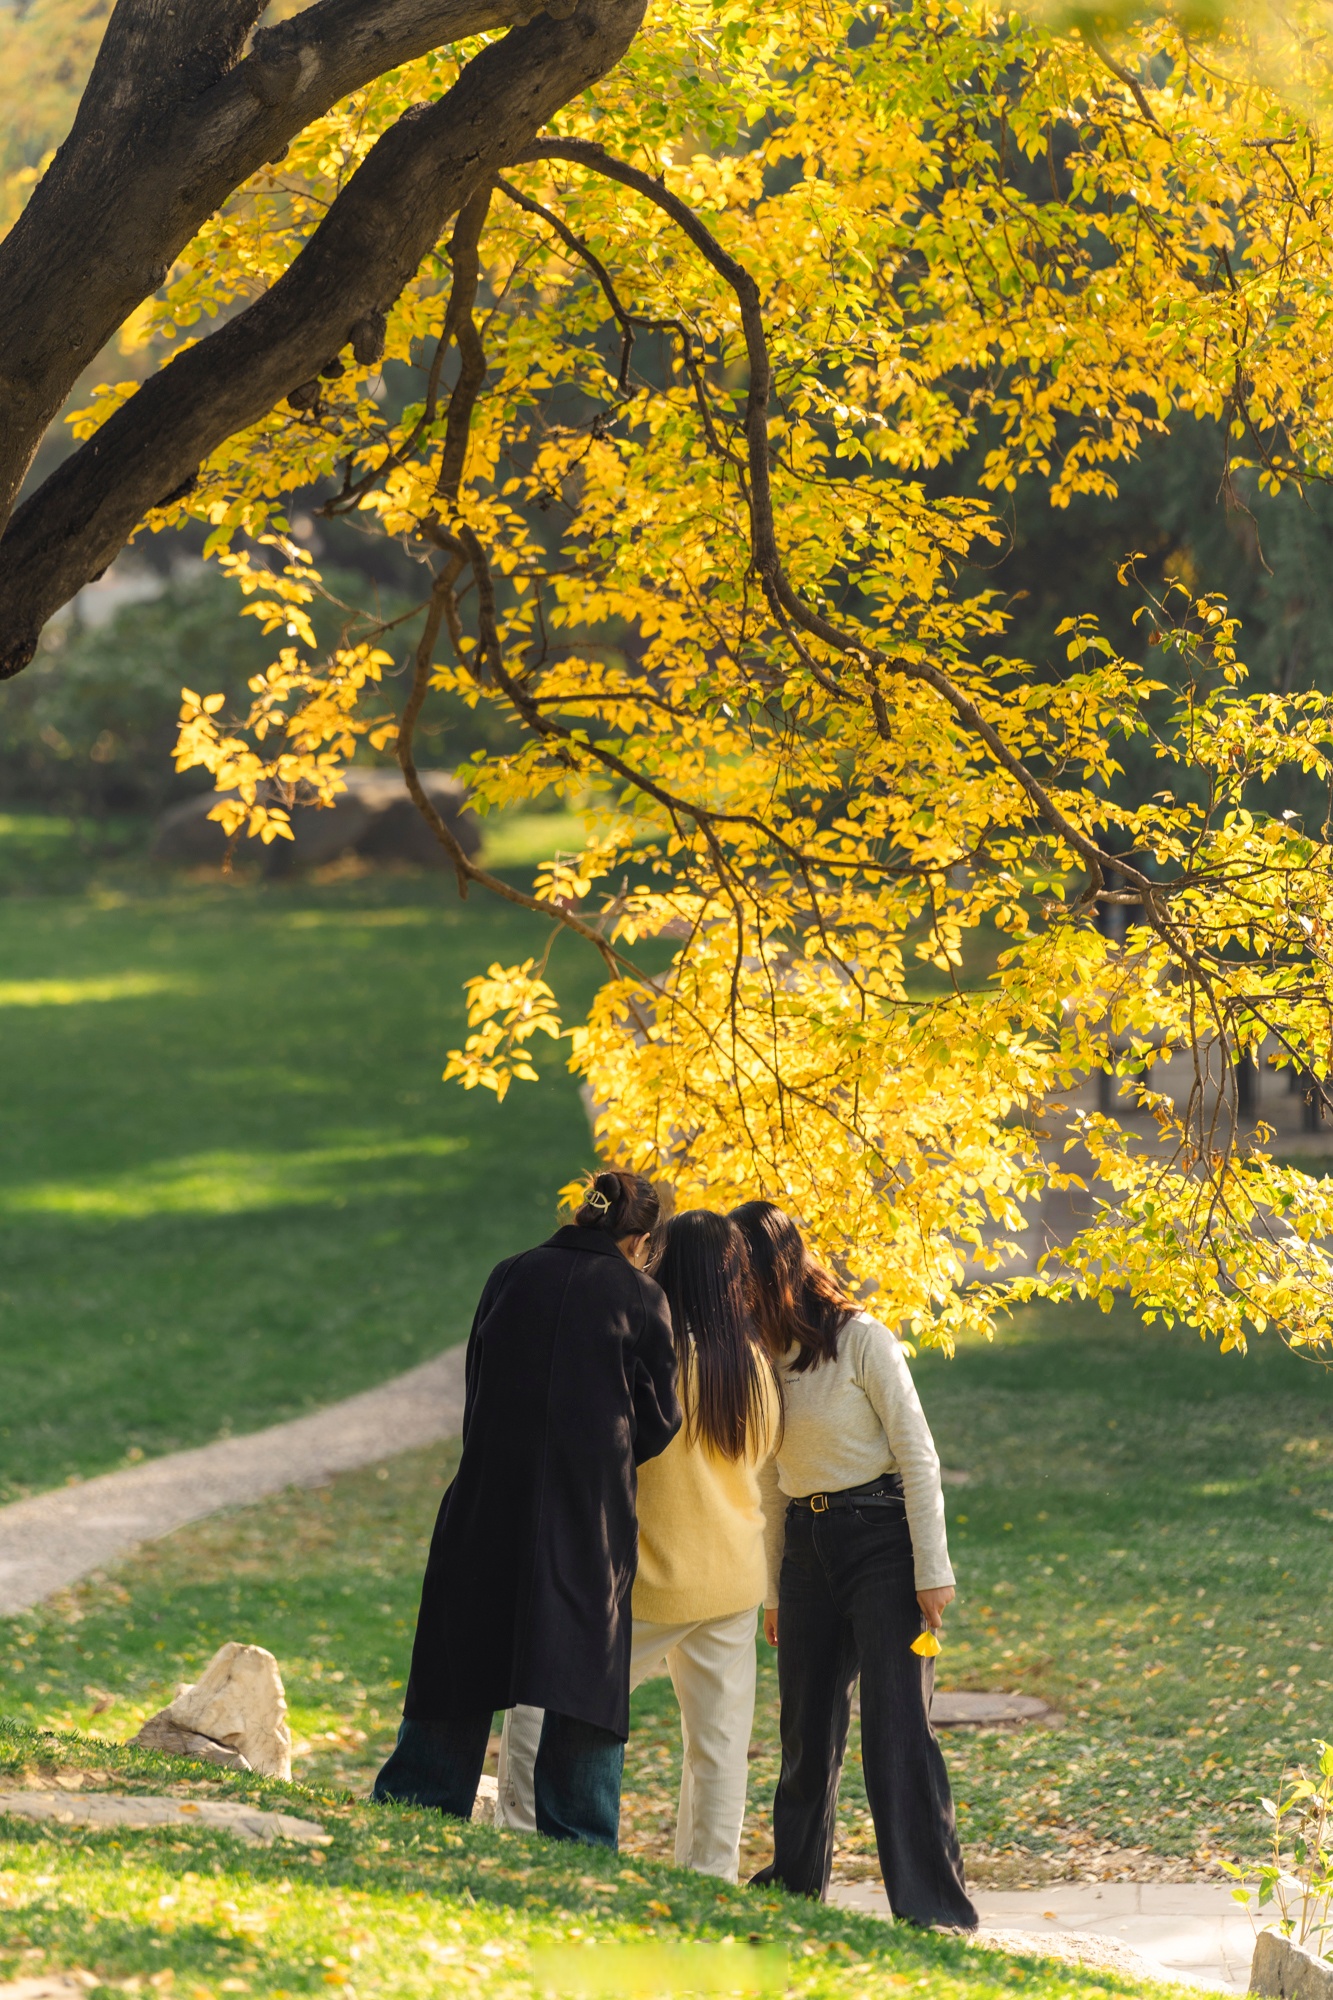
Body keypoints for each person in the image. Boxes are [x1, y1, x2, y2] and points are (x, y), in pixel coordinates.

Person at [373, 1169, 681, 1848]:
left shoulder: (509, 1273)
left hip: (490, 1493)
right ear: (640, 1238)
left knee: (461, 1647)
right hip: (586, 1512)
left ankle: (421, 1799)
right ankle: (577, 1829)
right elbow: (660, 1421)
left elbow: (477, 1377)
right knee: (585, 1672)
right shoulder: (640, 1298)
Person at [496, 1208, 782, 1882]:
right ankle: (709, 1877)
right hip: (734, 1580)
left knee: (542, 1702)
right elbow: (763, 1466)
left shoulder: (647, 1351)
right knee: (717, 1746)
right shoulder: (753, 1364)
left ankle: (516, 1836)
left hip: (650, 1579)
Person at [731, 1199, 976, 1931]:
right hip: (806, 1554)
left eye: (739, 1277)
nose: (732, 1294)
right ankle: (793, 1883)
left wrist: (931, 1570)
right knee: (806, 1731)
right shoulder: (764, 1357)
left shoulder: (862, 1338)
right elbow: (772, 1481)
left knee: (897, 1730)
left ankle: (932, 1905)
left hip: (881, 1542)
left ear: (773, 1270)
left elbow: (917, 1453)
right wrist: (773, 1589)